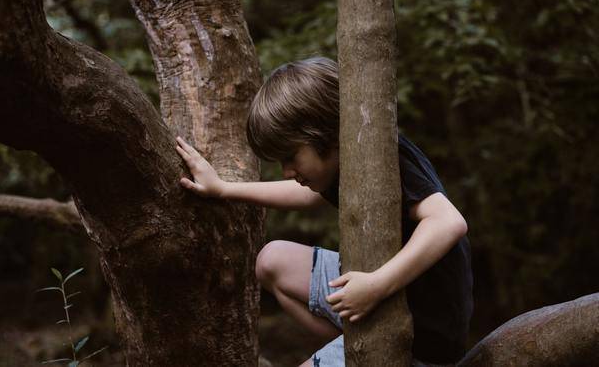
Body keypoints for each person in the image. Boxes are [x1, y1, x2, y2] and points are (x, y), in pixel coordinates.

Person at [176, 57, 473, 367]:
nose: (288, 171)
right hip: (377, 296)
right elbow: (306, 195)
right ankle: (352, 348)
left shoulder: (387, 156)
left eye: (291, 157)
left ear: (327, 134)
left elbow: (448, 222)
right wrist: (223, 189)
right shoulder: (341, 161)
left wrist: (376, 285)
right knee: (271, 261)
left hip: (421, 333)